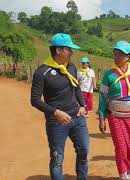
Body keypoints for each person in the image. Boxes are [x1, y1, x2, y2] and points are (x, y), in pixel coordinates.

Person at [31, 33, 89, 180]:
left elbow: (76, 88)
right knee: (57, 159)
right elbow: (35, 100)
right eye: (69, 49)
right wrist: (56, 112)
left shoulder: (71, 67)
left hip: (77, 118)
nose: (72, 52)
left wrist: (82, 105)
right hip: (57, 122)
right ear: (58, 50)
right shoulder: (42, 72)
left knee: (83, 151)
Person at [98, 40, 130, 180]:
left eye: (120, 54)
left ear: (128, 56)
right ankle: (123, 175)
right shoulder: (109, 74)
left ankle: (127, 171)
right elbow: (103, 97)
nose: (117, 57)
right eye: (115, 54)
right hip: (115, 117)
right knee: (121, 147)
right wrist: (102, 117)